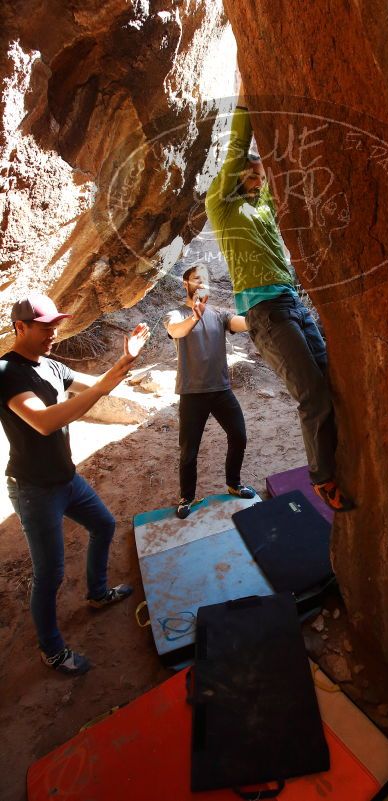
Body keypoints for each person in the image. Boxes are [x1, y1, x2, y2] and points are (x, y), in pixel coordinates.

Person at [205, 84, 354, 512]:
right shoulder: (224, 207)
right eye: (250, 175)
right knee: (313, 395)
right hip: (265, 313)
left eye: (260, 175)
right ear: (234, 178)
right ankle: (322, 477)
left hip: (292, 304)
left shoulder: (265, 207)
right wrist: (246, 102)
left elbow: (279, 171)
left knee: (332, 386)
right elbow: (238, 150)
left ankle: (339, 459)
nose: (256, 179)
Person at [0, 293, 150, 676]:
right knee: (49, 574)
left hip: (65, 478)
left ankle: (98, 594)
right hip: (33, 489)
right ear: (20, 327)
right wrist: (102, 388)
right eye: (45, 327)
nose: (54, 332)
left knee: (104, 524)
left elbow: (95, 386)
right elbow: (45, 421)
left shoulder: (50, 366)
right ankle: (51, 650)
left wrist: (126, 359)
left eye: (55, 325)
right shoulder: (7, 372)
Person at [163, 264, 254, 519]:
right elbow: (175, 331)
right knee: (189, 450)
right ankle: (187, 497)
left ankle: (233, 484)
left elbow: (243, 322)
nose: (201, 283)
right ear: (186, 284)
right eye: (195, 278)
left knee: (239, 436)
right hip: (192, 392)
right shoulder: (176, 313)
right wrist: (194, 316)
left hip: (221, 389)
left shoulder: (219, 314)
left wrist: (261, 312)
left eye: (205, 279)